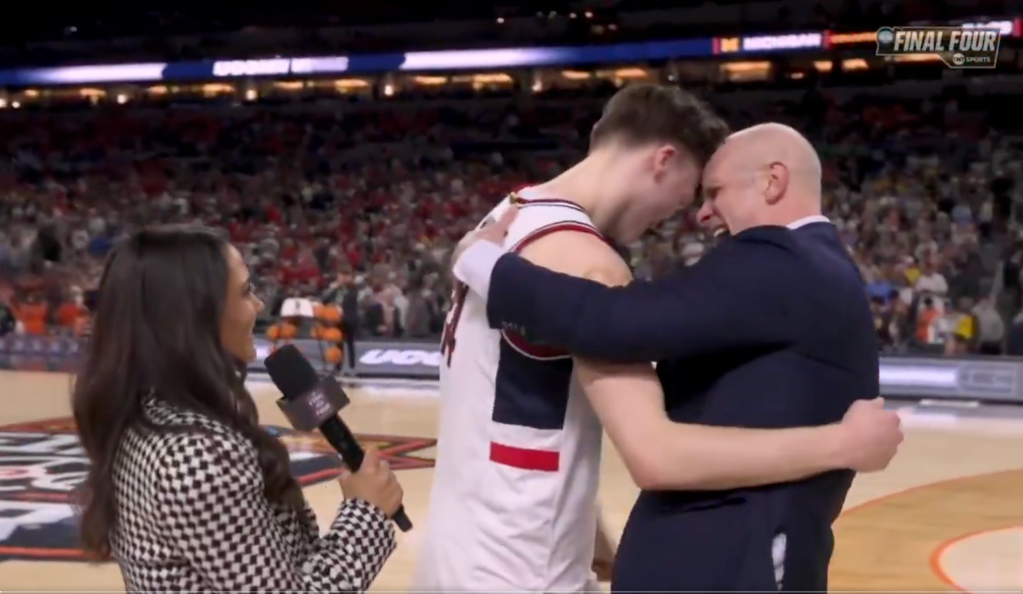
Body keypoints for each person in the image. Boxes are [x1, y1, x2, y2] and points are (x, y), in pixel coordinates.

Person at [426, 88, 901, 593]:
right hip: (520, 567)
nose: (694, 213)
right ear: (664, 160)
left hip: (458, 548)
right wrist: (842, 444)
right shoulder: (585, 261)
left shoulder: (505, 217)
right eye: (697, 188)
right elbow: (655, 450)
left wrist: (592, 537)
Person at [72, 225, 403, 592]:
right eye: (246, 292)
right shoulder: (196, 455)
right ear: (197, 316)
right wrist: (366, 513)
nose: (259, 306)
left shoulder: (150, 414)